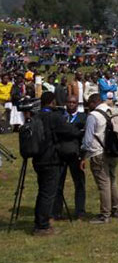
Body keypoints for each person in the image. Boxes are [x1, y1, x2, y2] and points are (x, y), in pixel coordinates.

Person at [30, 91, 84, 236]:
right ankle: (42, 226)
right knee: (48, 193)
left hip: (37, 159)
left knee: (42, 192)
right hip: (51, 159)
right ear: (53, 102)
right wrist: (80, 130)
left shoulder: (36, 116)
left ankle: (40, 221)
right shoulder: (54, 117)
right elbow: (70, 131)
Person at [80, 94, 118, 224]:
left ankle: (105, 214)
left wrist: (83, 155)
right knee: (112, 180)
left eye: (89, 104)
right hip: (113, 151)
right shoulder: (113, 111)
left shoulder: (93, 116)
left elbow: (88, 140)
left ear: (93, 102)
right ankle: (117, 208)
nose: (88, 107)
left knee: (103, 184)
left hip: (98, 152)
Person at [52, 95, 87, 220]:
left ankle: (80, 211)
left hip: (76, 154)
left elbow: (84, 137)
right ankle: (56, 211)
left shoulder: (83, 117)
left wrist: (83, 156)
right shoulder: (60, 117)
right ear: (65, 103)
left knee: (79, 184)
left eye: (74, 102)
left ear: (77, 104)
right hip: (60, 154)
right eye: (69, 102)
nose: (71, 104)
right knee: (58, 183)